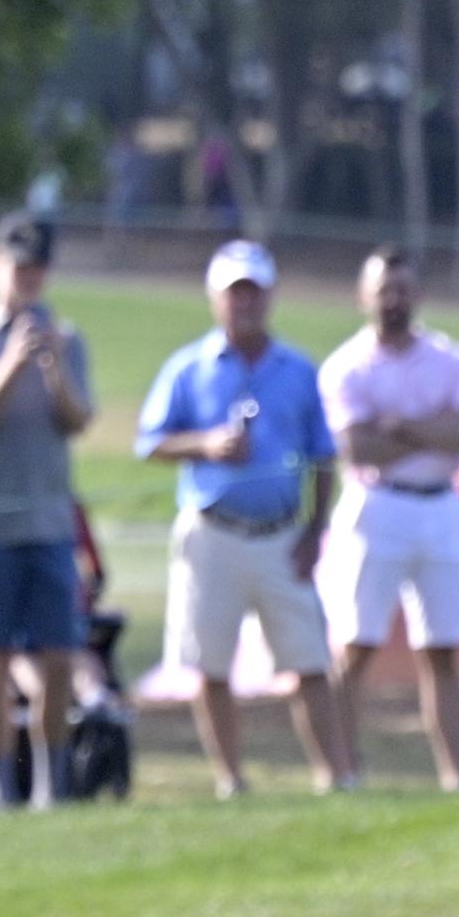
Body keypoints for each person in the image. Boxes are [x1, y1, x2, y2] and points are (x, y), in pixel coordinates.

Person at [137, 241, 351, 797]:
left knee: (308, 661)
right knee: (210, 665)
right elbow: (151, 441)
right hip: (213, 533)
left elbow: (322, 457)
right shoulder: (189, 368)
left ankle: (334, 774)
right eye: (235, 294)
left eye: (254, 293)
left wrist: (313, 529)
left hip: (282, 535)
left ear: (269, 296)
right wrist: (205, 445)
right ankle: (230, 778)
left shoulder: (298, 371)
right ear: (215, 299)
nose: (245, 304)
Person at [316, 247, 459, 791]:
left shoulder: (450, 358)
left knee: (441, 648)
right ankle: (343, 769)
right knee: (356, 644)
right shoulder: (346, 365)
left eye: (402, 290)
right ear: (364, 297)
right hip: (377, 507)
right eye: (383, 291)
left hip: (439, 505)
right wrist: (430, 430)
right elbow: (355, 446)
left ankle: (454, 774)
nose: (393, 301)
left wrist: (401, 429)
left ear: (419, 295)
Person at [0, 213, 94, 810]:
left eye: (37, 268)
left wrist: (53, 365)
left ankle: (48, 786)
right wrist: (12, 361)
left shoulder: (68, 338)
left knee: (59, 658)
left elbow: (77, 420)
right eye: (17, 267)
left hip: (50, 523)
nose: (27, 279)